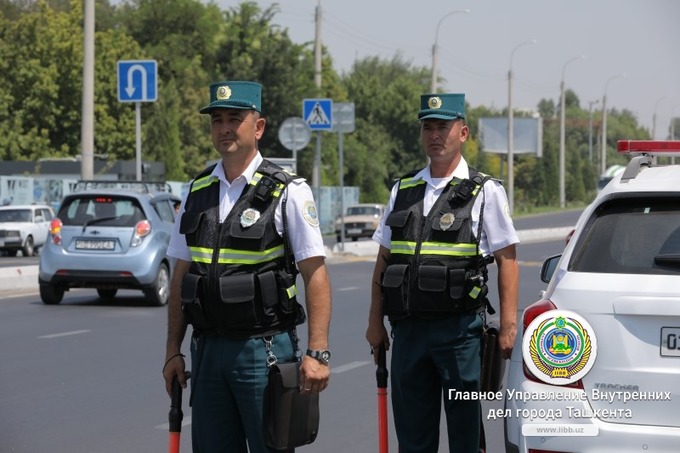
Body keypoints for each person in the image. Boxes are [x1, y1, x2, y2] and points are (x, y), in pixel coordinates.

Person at [162, 80, 332, 453]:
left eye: (234, 118)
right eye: (217, 119)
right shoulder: (196, 190)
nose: (224, 127)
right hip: (208, 353)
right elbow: (180, 277)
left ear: (258, 127)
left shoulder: (287, 190)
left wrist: (317, 352)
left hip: (263, 351)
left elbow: (315, 274)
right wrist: (173, 350)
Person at [365, 93, 519, 453]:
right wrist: (375, 322)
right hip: (407, 333)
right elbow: (383, 261)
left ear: (462, 133)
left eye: (443, 127)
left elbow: (508, 261)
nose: (435, 135)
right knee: (413, 437)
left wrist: (508, 326)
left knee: (466, 435)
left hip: (460, 334)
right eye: (428, 127)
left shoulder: (485, 191)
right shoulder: (403, 190)